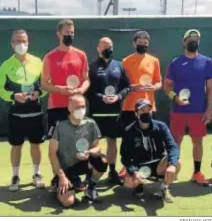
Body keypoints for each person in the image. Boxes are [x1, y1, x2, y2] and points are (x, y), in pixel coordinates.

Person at [41, 19, 90, 190]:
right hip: (56, 106)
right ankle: (58, 178)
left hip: (76, 107)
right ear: (58, 34)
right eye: (67, 33)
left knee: (77, 141)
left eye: (72, 33)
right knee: (58, 146)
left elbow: (86, 80)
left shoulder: (81, 55)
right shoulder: (49, 57)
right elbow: (44, 84)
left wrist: (79, 91)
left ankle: (74, 177)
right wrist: (60, 89)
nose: (70, 35)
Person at [0, 29, 46, 191]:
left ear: (28, 43)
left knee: (36, 144)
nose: (21, 44)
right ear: (12, 44)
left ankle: (37, 174)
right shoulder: (6, 65)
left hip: (36, 112)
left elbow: (45, 85)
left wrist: (39, 92)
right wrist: (13, 96)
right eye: (17, 41)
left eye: (24, 41)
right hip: (16, 114)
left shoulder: (38, 62)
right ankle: (15, 176)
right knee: (16, 146)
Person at [164, 29, 212, 186]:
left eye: (196, 39)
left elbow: (210, 88)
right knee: (175, 142)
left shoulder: (207, 62)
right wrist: (175, 98)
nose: (193, 41)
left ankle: (196, 173)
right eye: (190, 39)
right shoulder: (175, 62)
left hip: (198, 111)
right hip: (178, 111)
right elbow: (167, 87)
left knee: (197, 142)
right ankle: (174, 171)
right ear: (183, 42)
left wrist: (209, 109)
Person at [49, 94, 108, 207]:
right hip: (65, 170)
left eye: (83, 106)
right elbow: (52, 154)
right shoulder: (59, 125)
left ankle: (90, 188)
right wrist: (61, 177)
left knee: (102, 160)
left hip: (82, 164)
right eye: (77, 107)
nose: (81, 110)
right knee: (68, 202)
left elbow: (97, 147)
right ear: (69, 108)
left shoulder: (91, 123)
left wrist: (89, 152)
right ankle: (60, 183)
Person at [119, 31, 162, 178]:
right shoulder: (125, 61)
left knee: (149, 138)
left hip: (148, 107)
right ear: (134, 43)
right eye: (140, 42)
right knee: (128, 139)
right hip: (129, 107)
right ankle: (126, 167)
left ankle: (149, 166)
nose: (142, 45)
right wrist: (132, 87)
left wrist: (154, 87)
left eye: (145, 43)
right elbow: (122, 85)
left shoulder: (154, 61)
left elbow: (158, 82)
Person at [87, 37, 130, 185]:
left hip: (114, 113)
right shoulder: (91, 67)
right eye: (104, 45)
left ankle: (112, 172)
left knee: (112, 142)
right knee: (94, 144)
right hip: (97, 113)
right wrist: (101, 97)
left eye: (110, 45)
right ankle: (93, 172)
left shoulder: (119, 66)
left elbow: (127, 87)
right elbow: (88, 90)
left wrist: (118, 96)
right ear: (98, 48)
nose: (107, 48)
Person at [120, 99, 180, 203]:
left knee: (177, 163)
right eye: (142, 110)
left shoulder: (161, 126)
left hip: (158, 164)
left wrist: (172, 164)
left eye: (148, 110)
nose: (146, 113)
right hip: (139, 166)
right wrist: (133, 170)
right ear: (136, 113)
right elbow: (124, 156)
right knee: (128, 183)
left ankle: (164, 188)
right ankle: (139, 186)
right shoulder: (129, 131)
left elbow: (173, 147)